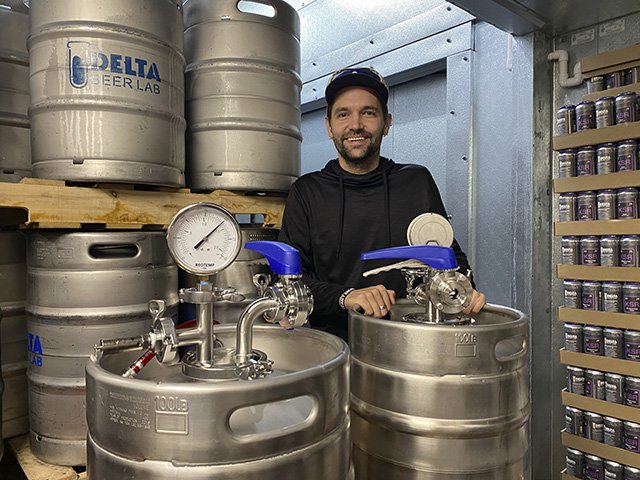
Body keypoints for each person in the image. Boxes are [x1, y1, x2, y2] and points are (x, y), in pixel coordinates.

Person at [278, 66, 486, 340]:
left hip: (413, 341)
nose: (355, 125)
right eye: (343, 114)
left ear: (386, 123)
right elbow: (288, 283)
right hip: (335, 348)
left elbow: (449, 258)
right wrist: (346, 297)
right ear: (329, 126)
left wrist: (462, 287)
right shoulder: (307, 192)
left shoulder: (416, 181)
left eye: (368, 112)